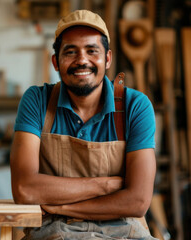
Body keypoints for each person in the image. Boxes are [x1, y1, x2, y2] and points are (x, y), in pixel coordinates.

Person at [10, 9, 157, 240]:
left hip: (125, 230)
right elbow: (24, 188)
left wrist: (61, 207)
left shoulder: (135, 106)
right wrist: (106, 185)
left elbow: (137, 201)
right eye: (70, 52)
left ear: (107, 59)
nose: (82, 60)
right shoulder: (37, 100)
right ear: (55, 62)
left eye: (92, 50)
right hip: (53, 230)